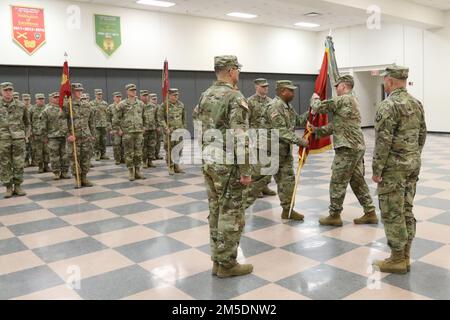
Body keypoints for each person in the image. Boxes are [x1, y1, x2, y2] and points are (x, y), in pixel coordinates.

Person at [196, 55, 254, 278]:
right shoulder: (234, 96)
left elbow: (198, 126)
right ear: (230, 71)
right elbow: (240, 135)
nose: (238, 73)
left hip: (209, 160)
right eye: (237, 70)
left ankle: (217, 261)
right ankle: (227, 264)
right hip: (227, 164)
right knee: (231, 213)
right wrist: (246, 170)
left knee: (215, 211)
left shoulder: (205, 95)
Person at [372, 65, 427, 274]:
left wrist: (377, 169)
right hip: (412, 164)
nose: (385, 84)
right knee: (406, 209)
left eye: (385, 80)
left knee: (392, 211)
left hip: (393, 168)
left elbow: (383, 142)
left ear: (390, 81)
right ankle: (405, 256)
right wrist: (414, 156)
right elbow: (423, 134)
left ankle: (397, 259)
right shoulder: (416, 103)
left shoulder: (388, 105)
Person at [310, 74, 377, 227]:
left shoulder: (344, 99)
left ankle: (334, 215)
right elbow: (337, 125)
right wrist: (317, 131)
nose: (336, 90)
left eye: (337, 86)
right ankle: (370, 212)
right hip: (356, 146)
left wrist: (314, 97)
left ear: (344, 86)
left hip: (347, 148)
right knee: (357, 181)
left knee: (337, 181)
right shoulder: (353, 100)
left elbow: (318, 107)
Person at [265, 80, 309, 221]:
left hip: (284, 153)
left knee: (288, 182)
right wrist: (301, 141)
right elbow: (281, 131)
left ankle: (287, 210)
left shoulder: (287, 107)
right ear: (283, 91)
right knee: (255, 186)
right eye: (291, 90)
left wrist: (312, 111)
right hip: (270, 154)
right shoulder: (274, 107)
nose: (293, 93)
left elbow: (298, 120)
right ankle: (233, 213)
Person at [0, 82, 30, 198]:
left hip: (18, 139)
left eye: (10, 90)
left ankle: (17, 186)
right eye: (5, 90)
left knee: (19, 163)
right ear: (1, 91)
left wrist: (26, 135)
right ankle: (8, 187)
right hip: (3, 139)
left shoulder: (21, 105)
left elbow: (27, 123)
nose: (8, 93)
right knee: (4, 163)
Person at [114, 84, 146, 181]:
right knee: (129, 153)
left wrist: (144, 127)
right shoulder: (122, 104)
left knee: (139, 152)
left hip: (138, 132)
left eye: (135, 90)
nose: (133, 91)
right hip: (127, 132)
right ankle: (131, 171)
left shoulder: (140, 104)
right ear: (127, 92)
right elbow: (116, 118)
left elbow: (144, 117)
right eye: (131, 90)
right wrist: (118, 129)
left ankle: (137, 171)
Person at [67, 83, 95, 188]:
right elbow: (61, 122)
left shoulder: (87, 105)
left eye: (81, 90)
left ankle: (84, 177)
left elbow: (91, 121)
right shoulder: (67, 105)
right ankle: (77, 178)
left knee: (86, 158)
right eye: (77, 90)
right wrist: (68, 134)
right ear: (72, 92)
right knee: (75, 159)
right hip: (74, 137)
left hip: (86, 136)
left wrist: (92, 134)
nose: (79, 92)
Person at [41, 92, 71, 180]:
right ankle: (56, 172)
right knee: (54, 155)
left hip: (64, 135)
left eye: (59, 97)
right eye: (55, 97)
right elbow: (43, 125)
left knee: (65, 155)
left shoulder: (65, 109)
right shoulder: (47, 110)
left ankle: (65, 172)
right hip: (52, 136)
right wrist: (44, 137)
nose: (57, 99)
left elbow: (69, 122)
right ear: (51, 99)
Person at [157, 88, 187, 175]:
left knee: (178, 149)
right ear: (169, 95)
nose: (176, 97)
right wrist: (165, 127)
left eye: (177, 95)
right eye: (174, 95)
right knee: (170, 149)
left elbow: (184, 118)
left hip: (179, 131)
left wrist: (184, 128)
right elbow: (160, 118)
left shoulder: (181, 104)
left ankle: (176, 165)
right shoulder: (164, 105)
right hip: (170, 131)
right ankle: (170, 166)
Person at [29, 93, 50, 173]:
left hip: (46, 134)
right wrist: (30, 131)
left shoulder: (47, 108)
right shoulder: (32, 109)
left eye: (42, 99)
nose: (41, 100)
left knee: (47, 150)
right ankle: (40, 166)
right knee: (38, 151)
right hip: (36, 133)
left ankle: (47, 165)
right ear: (36, 100)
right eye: (39, 99)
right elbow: (29, 121)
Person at [91, 89, 109, 161]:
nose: (99, 95)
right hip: (96, 125)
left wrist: (108, 124)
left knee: (104, 140)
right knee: (97, 140)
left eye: (100, 94)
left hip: (104, 124)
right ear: (95, 95)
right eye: (98, 94)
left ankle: (103, 154)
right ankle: (97, 153)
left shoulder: (105, 103)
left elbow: (107, 115)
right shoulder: (91, 103)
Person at [142, 91, 158, 168]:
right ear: (141, 96)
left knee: (152, 145)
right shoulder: (139, 105)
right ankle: (144, 161)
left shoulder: (153, 106)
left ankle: (150, 161)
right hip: (143, 130)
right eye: (143, 95)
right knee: (143, 146)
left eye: (146, 95)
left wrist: (158, 126)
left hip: (152, 129)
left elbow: (157, 117)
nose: (145, 97)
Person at [108, 92, 125, 165]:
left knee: (124, 144)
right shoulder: (110, 107)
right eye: (117, 97)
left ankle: (123, 158)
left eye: (120, 97)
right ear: (114, 98)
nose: (118, 98)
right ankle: (117, 159)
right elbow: (108, 119)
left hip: (124, 128)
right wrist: (110, 129)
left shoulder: (124, 106)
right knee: (116, 145)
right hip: (115, 129)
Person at [22, 93, 33, 167]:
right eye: (25, 100)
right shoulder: (20, 108)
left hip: (32, 130)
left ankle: (33, 160)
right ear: (22, 100)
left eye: (28, 99)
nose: (27, 101)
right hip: (23, 130)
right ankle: (25, 161)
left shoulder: (33, 108)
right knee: (24, 147)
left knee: (32, 147)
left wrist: (31, 131)